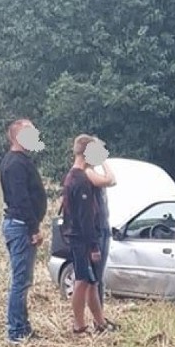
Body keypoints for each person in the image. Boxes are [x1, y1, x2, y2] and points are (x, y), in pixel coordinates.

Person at [0, 118, 48, 343]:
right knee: (20, 281)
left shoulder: (17, 161)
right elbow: (21, 200)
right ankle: (16, 331)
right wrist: (34, 228)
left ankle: (23, 327)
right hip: (20, 227)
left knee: (24, 280)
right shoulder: (16, 164)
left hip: (20, 225)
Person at [62, 134, 113, 334]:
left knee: (91, 282)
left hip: (78, 237)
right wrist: (93, 246)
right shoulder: (81, 180)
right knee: (82, 281)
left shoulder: (72, 175)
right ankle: (79, 325)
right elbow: (85, 217)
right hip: (81, 240)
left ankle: (100, 323)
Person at [82, 137, 117, 307]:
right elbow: (109, 179)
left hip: (104, 227)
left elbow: (113, 180)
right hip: (97, 230)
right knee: (95, 278)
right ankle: (97, 315)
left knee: (99, 277)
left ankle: (99, 314)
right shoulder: (88, 173)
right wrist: (103, 162)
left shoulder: (93, 172)